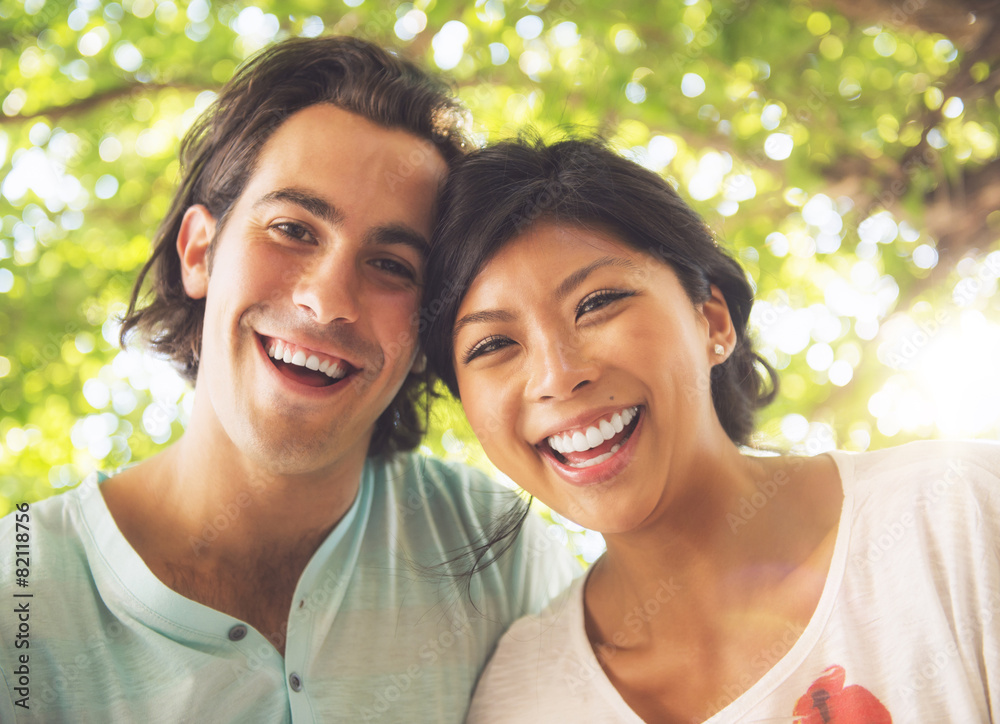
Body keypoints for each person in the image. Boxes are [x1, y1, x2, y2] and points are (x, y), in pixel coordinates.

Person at [0, 38, 578, 723]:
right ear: (199, 252)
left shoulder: (497, 555)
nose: (328, 300)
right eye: (293, 229)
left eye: (392, 265)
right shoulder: (21, 598)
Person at [423, 136, 1000, 722]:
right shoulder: (520, 698)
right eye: (493, 344)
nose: (558, 375)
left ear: (712, 320)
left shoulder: (960, 518)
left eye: (596, 304)